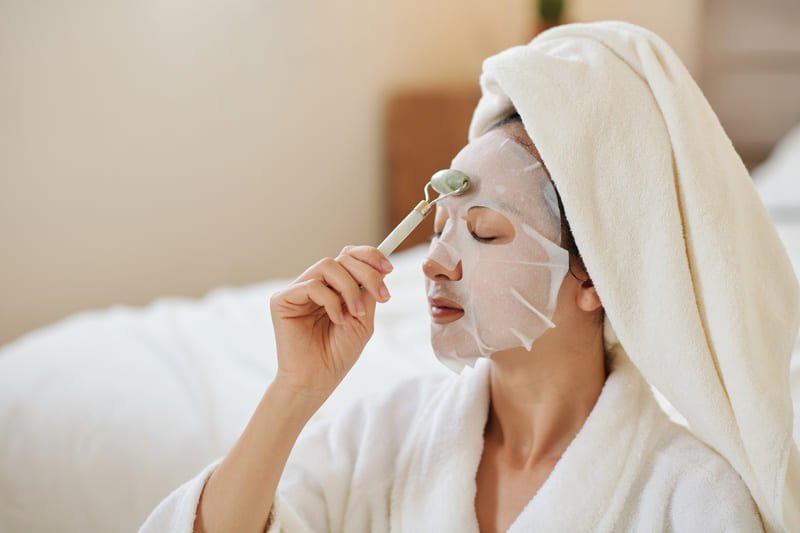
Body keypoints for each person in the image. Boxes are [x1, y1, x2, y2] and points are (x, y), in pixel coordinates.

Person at [142, 21, 798, 532]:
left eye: (484, 232)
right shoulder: (385, 436)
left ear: (599, 274)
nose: (433, 263)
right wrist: (293, 389)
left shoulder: (691, 498)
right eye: (439, 227)